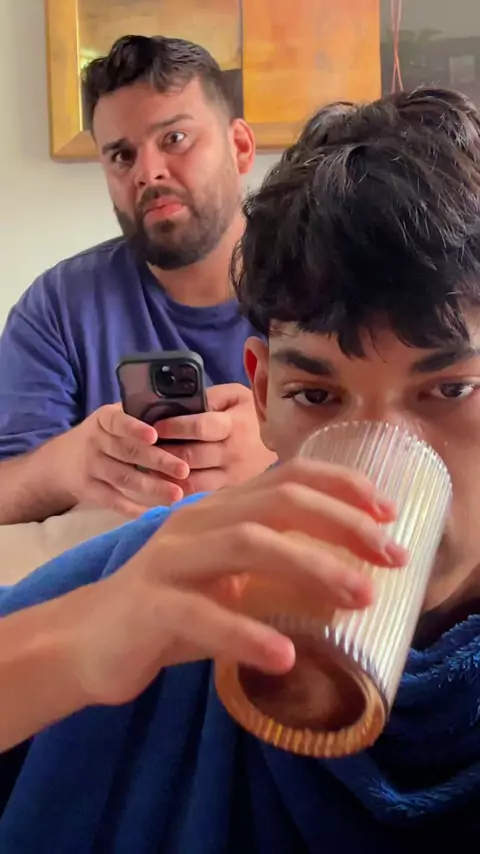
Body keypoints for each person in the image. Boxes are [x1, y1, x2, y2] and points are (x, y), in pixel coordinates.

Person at [0, 86, 479, 850]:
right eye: (315, 395)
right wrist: (76, 645)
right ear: (261, 393)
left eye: (451, 389)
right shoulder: (173, 575)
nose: (370, 485)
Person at [0, 35, 275, 526]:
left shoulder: (325, 282)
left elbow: (401, 447)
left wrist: (281, 450)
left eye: (175, 139)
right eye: (122, 156)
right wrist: (65, 467)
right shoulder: (57, 307)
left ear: (239, 147)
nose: (147, 173)